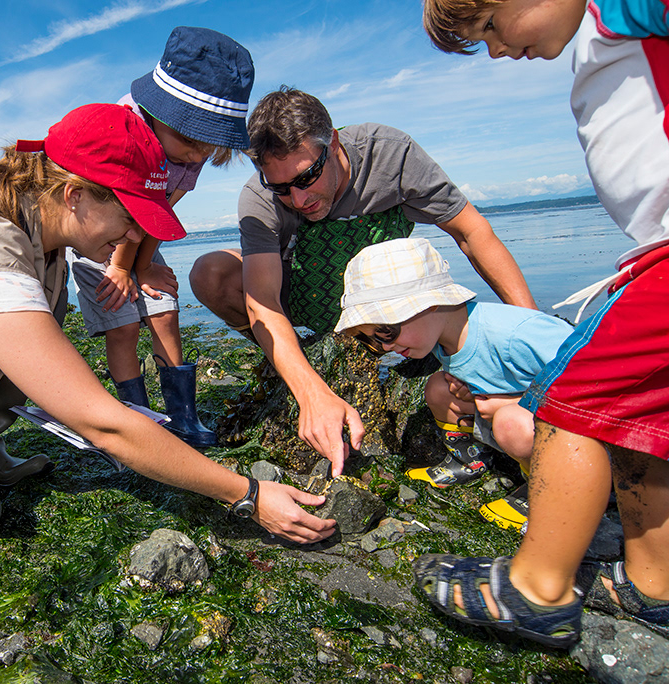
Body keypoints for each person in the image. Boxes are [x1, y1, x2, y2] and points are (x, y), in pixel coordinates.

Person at [0, 103, 335, 552]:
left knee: (47, 354)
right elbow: (106, 427)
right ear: (74, 195)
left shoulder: (29, 220)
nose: (132, 234)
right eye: (129, 214)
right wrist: (249, 494)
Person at [413, 0, 669, 647]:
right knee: (640, 426)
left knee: (569, 402)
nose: (495, 52)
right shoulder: (597, 41)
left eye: (490, 28)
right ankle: (655, 583)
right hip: (652, 259)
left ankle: (536, 591)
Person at [189, 87, 537, 478]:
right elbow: (263, 301)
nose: (299, 199)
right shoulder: (259, 197)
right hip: (305, 295)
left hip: (386, 305)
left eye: (308, 177)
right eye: (282, 188)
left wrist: (527, 337)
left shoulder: (389, 154)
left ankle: (386, 347)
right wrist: (310, 391)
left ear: (332, 141)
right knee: (211, 272)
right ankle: (294, 356)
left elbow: (472, 232)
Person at [68, 26, 254, 448]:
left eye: (209, 147)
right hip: (97, 240)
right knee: (123, 328)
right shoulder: (125, 128)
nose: (197, 155)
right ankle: (138, 422)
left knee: (165, 313)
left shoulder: (192, 147)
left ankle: (181, 417)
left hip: (143, 239)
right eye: (189, 141)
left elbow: (161, 211)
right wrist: (120, 266)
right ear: (157, 113)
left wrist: (145, 265)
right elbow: (130, 208)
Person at [335, 238, 573, 531]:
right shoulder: (442, 338)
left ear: (431, 304)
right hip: (519, 421)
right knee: (438, 388)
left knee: (512, 422)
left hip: (576, 437)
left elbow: (596, 386)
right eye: (369, 339)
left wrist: (512, 402)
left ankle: (551, 490)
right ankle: (469, 459)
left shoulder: (516, 333)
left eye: (386, 332)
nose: (384, 347)